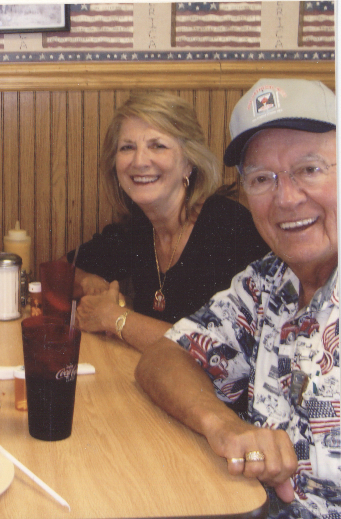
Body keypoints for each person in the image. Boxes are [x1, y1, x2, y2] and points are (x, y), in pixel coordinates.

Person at [135, 78, 338, 518]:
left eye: (310, 169)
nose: (286, 198)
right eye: (263, 179)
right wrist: (224, 426)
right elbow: (164, 357)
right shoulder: (268, 281)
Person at [67, 91, 269, 352]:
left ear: (189, 162)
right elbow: (61, 270)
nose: (139, 161)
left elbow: (218, 349)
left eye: (158, 146)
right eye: (127, 147)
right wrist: (89, 282)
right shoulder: (140, 227)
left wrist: (115, 318)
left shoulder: (229, 228)